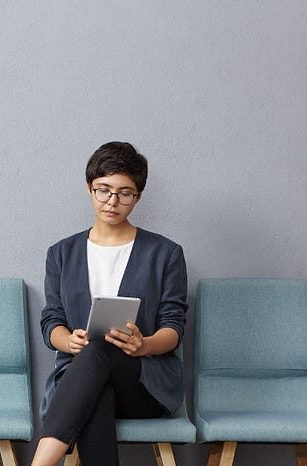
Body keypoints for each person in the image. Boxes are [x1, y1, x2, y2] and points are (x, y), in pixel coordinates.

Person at [32, 142, 188, 466]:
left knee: (99, 351)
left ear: (138, 196)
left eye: (125, 193)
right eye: (103, 190)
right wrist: (69, 341)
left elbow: (174, 326)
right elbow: (52, 320)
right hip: (81, 380)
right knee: (95, 381)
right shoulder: (61, 253)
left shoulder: (166, 254)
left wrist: (143, 345)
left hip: (144, 385)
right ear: (88, 188)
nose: (112, 201)